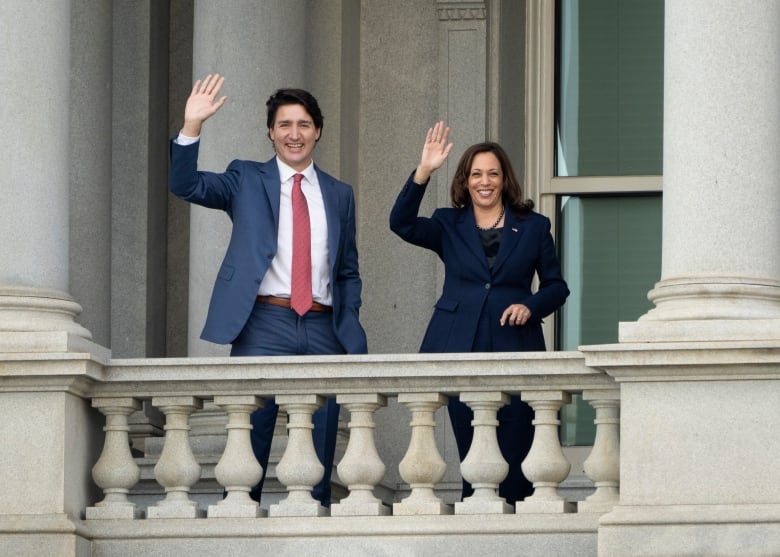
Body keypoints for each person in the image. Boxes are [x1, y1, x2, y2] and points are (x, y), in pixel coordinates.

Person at [169, 74, 368, 507]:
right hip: (262, 323)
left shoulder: (339, 194)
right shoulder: (245, 178)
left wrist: (347, 316)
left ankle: (314, 526)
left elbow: (348, 268)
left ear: (317, 130)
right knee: (249, 438)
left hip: (322, 325)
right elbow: (186, 186)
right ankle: (239, 523)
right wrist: (192, 127)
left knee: (320, 441)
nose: (293, 134)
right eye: (284, 125)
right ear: (270, 132)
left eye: (302, 125)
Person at [389, 121, 569, 505]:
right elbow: (400, 223)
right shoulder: (447, 223)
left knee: (517, 449)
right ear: (465, 181)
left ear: (504, 180)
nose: (484, 181)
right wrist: (423, 171)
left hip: (515, 344)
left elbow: (557, 287)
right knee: (472, 449)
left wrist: (530, 306)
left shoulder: (534, 227)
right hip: (459, 344)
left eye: (492, 173)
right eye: (475, 174)